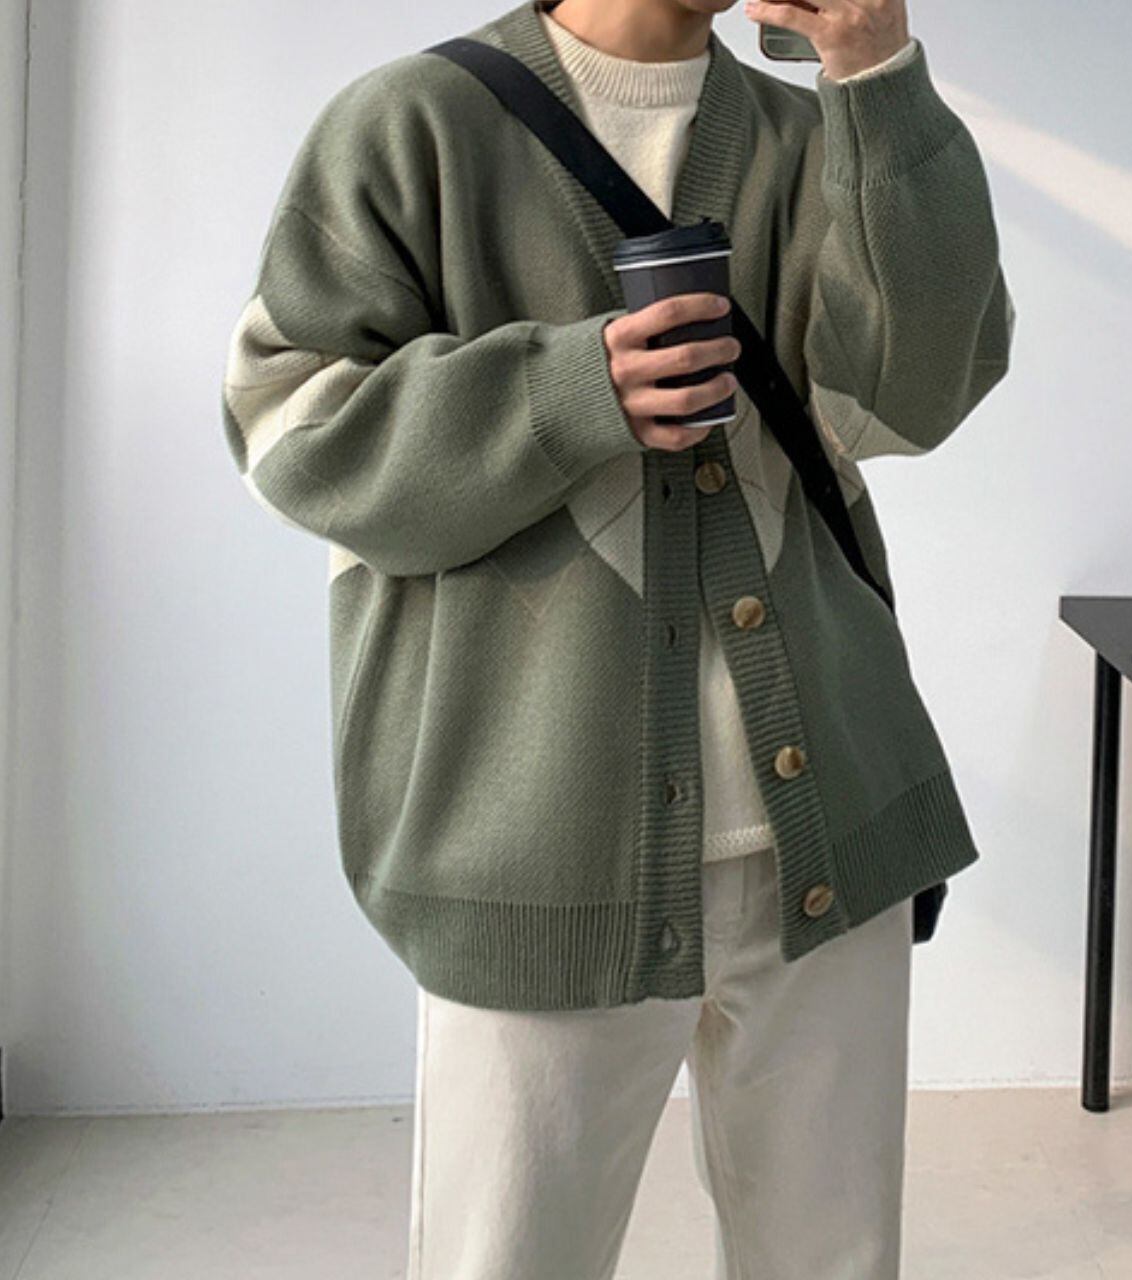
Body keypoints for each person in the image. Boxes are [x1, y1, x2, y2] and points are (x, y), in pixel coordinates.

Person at [220, 0, 1014, 1275]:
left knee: (830, 1256)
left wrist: (877, 74)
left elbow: (908, 400)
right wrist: (568, 388)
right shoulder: (411, 125)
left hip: (829, 822)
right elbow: (293, 430)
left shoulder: (813, 134)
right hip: (537, 845)